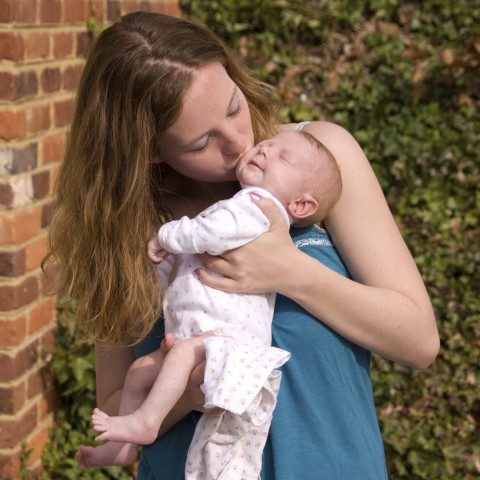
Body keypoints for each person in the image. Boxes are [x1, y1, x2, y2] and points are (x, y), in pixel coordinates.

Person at [43, 11, 439, 480]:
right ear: (149, 149)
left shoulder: (317, 162)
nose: (239, 143)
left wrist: (289, 270)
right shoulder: (129, 231)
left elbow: (418, 340)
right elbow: (114, 405)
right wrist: (191, 388)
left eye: (233, 107)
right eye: (202, 141)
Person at [76, 130, 342, 478]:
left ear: (301, 205)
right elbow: (184, 262)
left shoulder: (259, 208)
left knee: (180, 357)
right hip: (202, 336)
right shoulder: (242, 204)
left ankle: (146, 422)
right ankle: (120, 447)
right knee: (139, 372)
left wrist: (167, 235)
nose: (264, 150)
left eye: (283, 157)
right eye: (266, 146)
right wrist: (162, 266)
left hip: (228, 341)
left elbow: (210, 232)